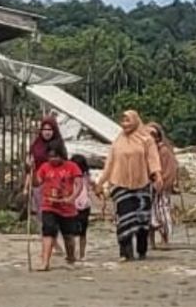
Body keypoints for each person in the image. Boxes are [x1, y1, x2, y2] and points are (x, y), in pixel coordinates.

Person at [95, 110, 163, 261]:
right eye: (123, 121)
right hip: (120, 185)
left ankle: (142, 251)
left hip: (142, 185)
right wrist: (100, 183)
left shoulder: (146, 140)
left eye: (128, 121)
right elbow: (110, 164)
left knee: (141, 220)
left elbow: (153, 159)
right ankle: (125, 252)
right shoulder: (117, 142)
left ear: (136, 121)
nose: (125, 124)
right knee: (124, 219)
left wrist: (157, 175)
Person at [34, 139, 81, 270]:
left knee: (68, 236)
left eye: (56, 156)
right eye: (50, 156)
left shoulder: (72, 166)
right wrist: (30, 172)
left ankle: (71, 256)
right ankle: (45, 262)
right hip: (49, 205)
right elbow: (37, 182)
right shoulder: (44, 167)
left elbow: (78, 183)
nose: (53, 159)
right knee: (48, 232)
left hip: (67, 207)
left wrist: (72, 197)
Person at [25, 116, 67, 224]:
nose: (47, 133)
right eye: (44, 130)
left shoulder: (58, 145)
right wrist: (26, 187)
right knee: (41, 213)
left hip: (54, 183)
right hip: (38, 183)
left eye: (50, 130)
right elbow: (29, 166)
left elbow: (65, 165)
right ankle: (45, 237)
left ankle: (53, 236)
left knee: (53, 213)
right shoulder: (36, 145)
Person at [146, 122, 180, 250]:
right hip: (149, 187)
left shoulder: (164, 151)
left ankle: (164, 239)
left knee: (161, 214)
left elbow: (169, 171)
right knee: (150, 215)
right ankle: (151, 242)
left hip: (161, 188)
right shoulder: (149, 151)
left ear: (158, 137)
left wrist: (160, 183)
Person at [70, 154, 93, 261]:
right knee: (73, 232)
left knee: (82, 232)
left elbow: (92, 185)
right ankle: (74, 253)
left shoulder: (86, 177)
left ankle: (82, 254)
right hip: (73, 206)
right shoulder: (69, 177)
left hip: (84, 206)